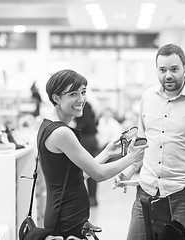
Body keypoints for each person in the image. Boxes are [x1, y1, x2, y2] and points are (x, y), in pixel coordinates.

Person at [114, 44, 185, 240]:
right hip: (147, 190)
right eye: (162, 70)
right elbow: (142, 146)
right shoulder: (148, 97)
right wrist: (126, 171)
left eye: (174, 69)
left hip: (184, 195)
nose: (168, 75)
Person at [37, 69, 147, 238]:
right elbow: (99, 174)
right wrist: (131, 158)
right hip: (66, 218)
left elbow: (75, 177)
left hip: (64, 214)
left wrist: (107, 152)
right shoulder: (61, 133)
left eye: (83, 92)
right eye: (73, 94)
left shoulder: (48, 125)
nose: (81, 99)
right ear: (56, 98)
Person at [74, 101, 100, 207]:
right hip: (92, 138)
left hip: (86, 139)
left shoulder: (83, 107)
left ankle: (90, 199)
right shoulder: (90, 106)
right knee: (91, 167)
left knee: (88, 168)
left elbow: (84, 123)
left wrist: (73, 127)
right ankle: (92, 198)